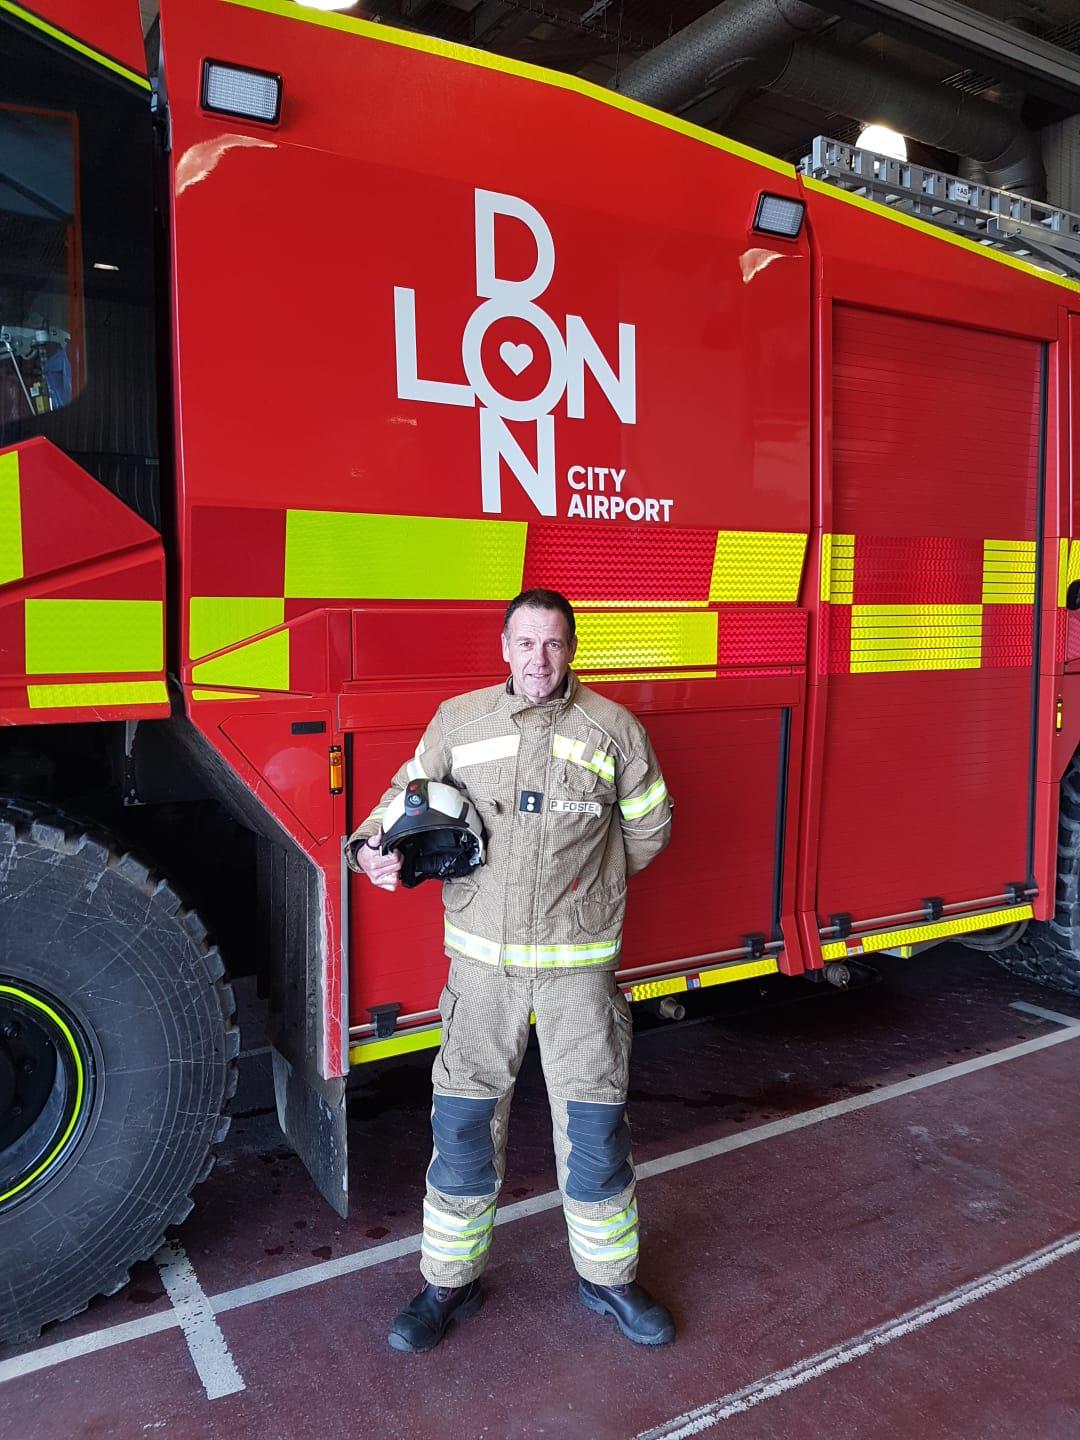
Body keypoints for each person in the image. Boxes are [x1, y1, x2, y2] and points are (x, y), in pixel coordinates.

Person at [347, 588, 674, 1353]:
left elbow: (651, 827)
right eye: (526, 644)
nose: (540, 659)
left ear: (572, 650)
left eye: (554, 644)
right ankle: (448, 1287)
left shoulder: (614, 730)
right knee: (462, 1130)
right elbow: (399, 803)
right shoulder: (459, 723)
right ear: (504, 647)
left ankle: (610, 1280)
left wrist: (590, 892)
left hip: (577, 979)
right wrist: (371, 851)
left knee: (595, 1134)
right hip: (481, 978)